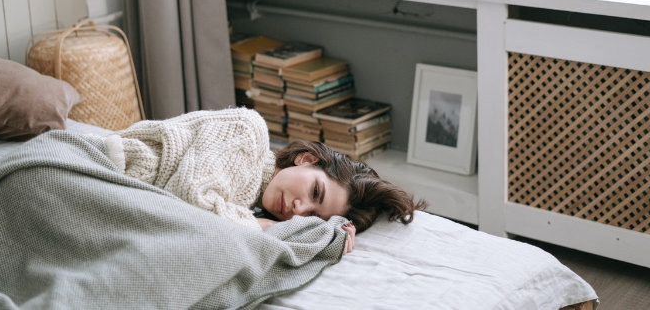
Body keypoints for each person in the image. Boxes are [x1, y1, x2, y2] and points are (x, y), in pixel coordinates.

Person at [104, 107, 425, 254]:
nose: (299, 209)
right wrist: (272, 229)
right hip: (103, 168)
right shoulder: (248, 133)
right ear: (307, 159)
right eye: (316, 191)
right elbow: (191, 206)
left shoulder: (254, 206)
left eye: (312, 216)